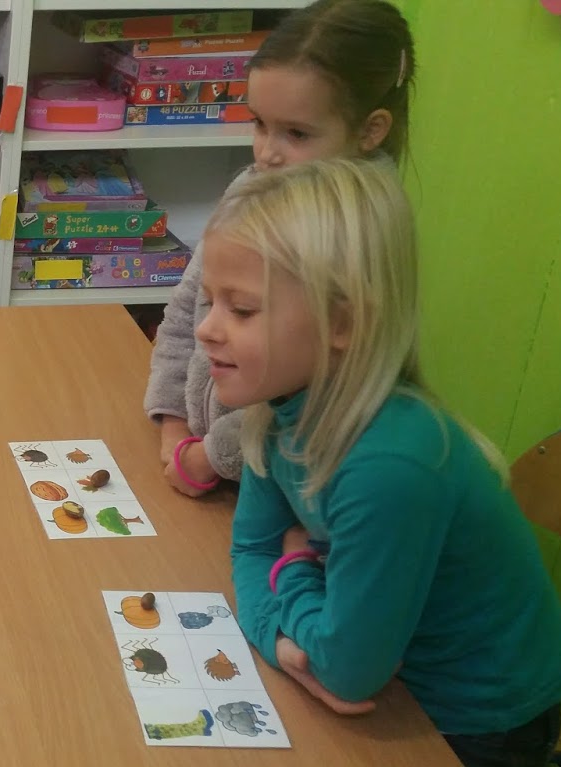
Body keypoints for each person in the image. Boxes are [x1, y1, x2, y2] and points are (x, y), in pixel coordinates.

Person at [198, 158, 561, 767]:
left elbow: (346, 672)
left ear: (344, 323)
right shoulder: (278, 408)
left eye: (242, 308)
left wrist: (293, 570)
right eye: (210, 301)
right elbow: (251, 549)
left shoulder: (390, 465)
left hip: (473, 730)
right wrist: (285, 643)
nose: (207, 327)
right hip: (388, 682)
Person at [145, 0, 415, 498]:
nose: (267, 153)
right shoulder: (255, 187)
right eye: (259, 124)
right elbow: (188, 309)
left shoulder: (352, 233)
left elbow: (317, 396)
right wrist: (173, 419)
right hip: (209, 465)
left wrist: (211, 456)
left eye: (296, 133)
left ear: (370, 131)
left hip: (280, 481)